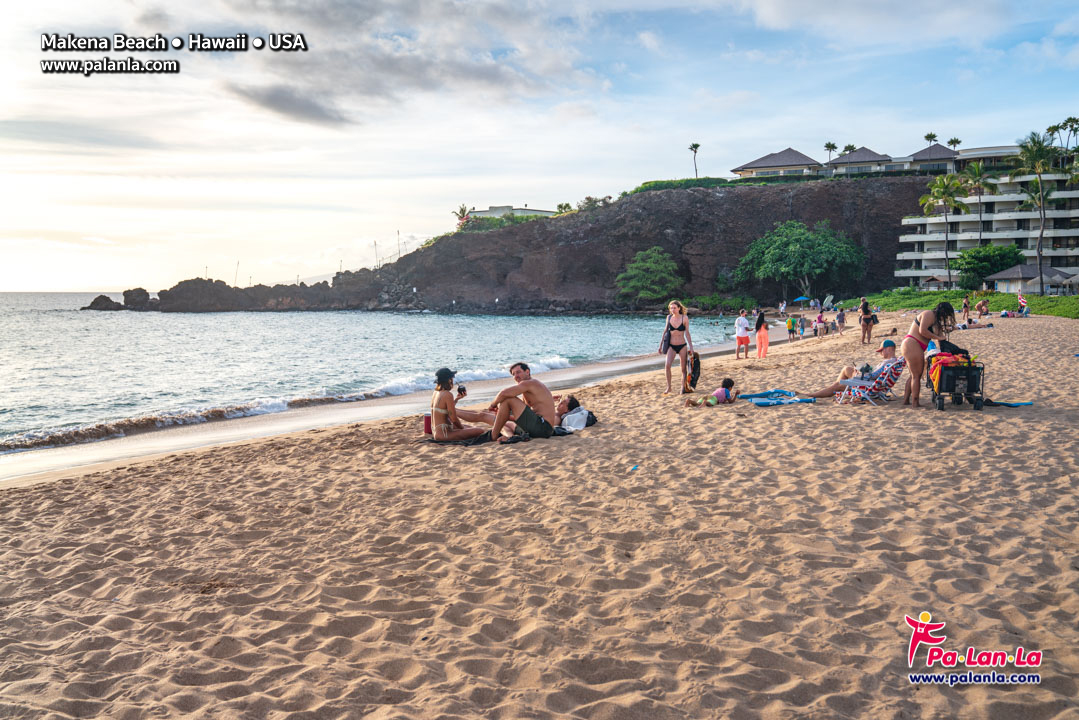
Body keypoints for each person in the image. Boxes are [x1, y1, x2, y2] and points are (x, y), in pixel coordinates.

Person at [797, 340, 900, 398]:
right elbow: (876, 375)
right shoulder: (893, 362)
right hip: (872, 384)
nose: (881, 353)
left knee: (837, 384)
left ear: (889, 349)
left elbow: (872, 376)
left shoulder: (887, 363)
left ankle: (812, 395)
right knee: (846, 370)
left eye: (882, 350)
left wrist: (858, 373)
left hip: (866, 384)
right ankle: (837, 386)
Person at [900, 302, 956, 409]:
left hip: (915, 345)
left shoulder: (937, 322)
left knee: (914, 375)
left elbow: (941, 338)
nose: (946, 317)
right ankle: (915, 403)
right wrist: (938, 337)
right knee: (917, 375)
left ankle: (906, 400)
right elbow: (923, 331)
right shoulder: (929, 314)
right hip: (912, 343)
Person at [488, 362, 558, 441]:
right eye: (513, 374)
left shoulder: (530, 383)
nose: (516, 376)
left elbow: (503, 393)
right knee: (508, 423)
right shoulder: (527, 390)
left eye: (518, 372)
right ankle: (499, 435)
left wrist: (492, 405)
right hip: (540, 428)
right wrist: (504, 413)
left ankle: (493, 436)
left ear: (527, 372)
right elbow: (524, 414)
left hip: (543, 428)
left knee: (508, 399)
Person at [429, 368, 488, 442]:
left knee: (470, 427)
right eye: (452, 378)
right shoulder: (448, 394)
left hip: (437, 432)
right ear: (449, 380)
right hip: (444, 434)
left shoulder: (436, 393)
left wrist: (456, 399)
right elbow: (454, 419)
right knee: (480, 431)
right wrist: (462, 428)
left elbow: (443, 408)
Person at [659, 300, 694, 394]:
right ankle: (669, 387)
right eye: (671, 308)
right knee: (667, 365)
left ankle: (683, 387)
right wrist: (660, 345)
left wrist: (691, 347)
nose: (672, 310)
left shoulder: (684, 318)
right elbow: (665, 331)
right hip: (671, 346)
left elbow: (687, 333)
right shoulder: (669, 317)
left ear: (679, 308)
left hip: (682, 346)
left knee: (683, 369)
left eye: (674, 308)